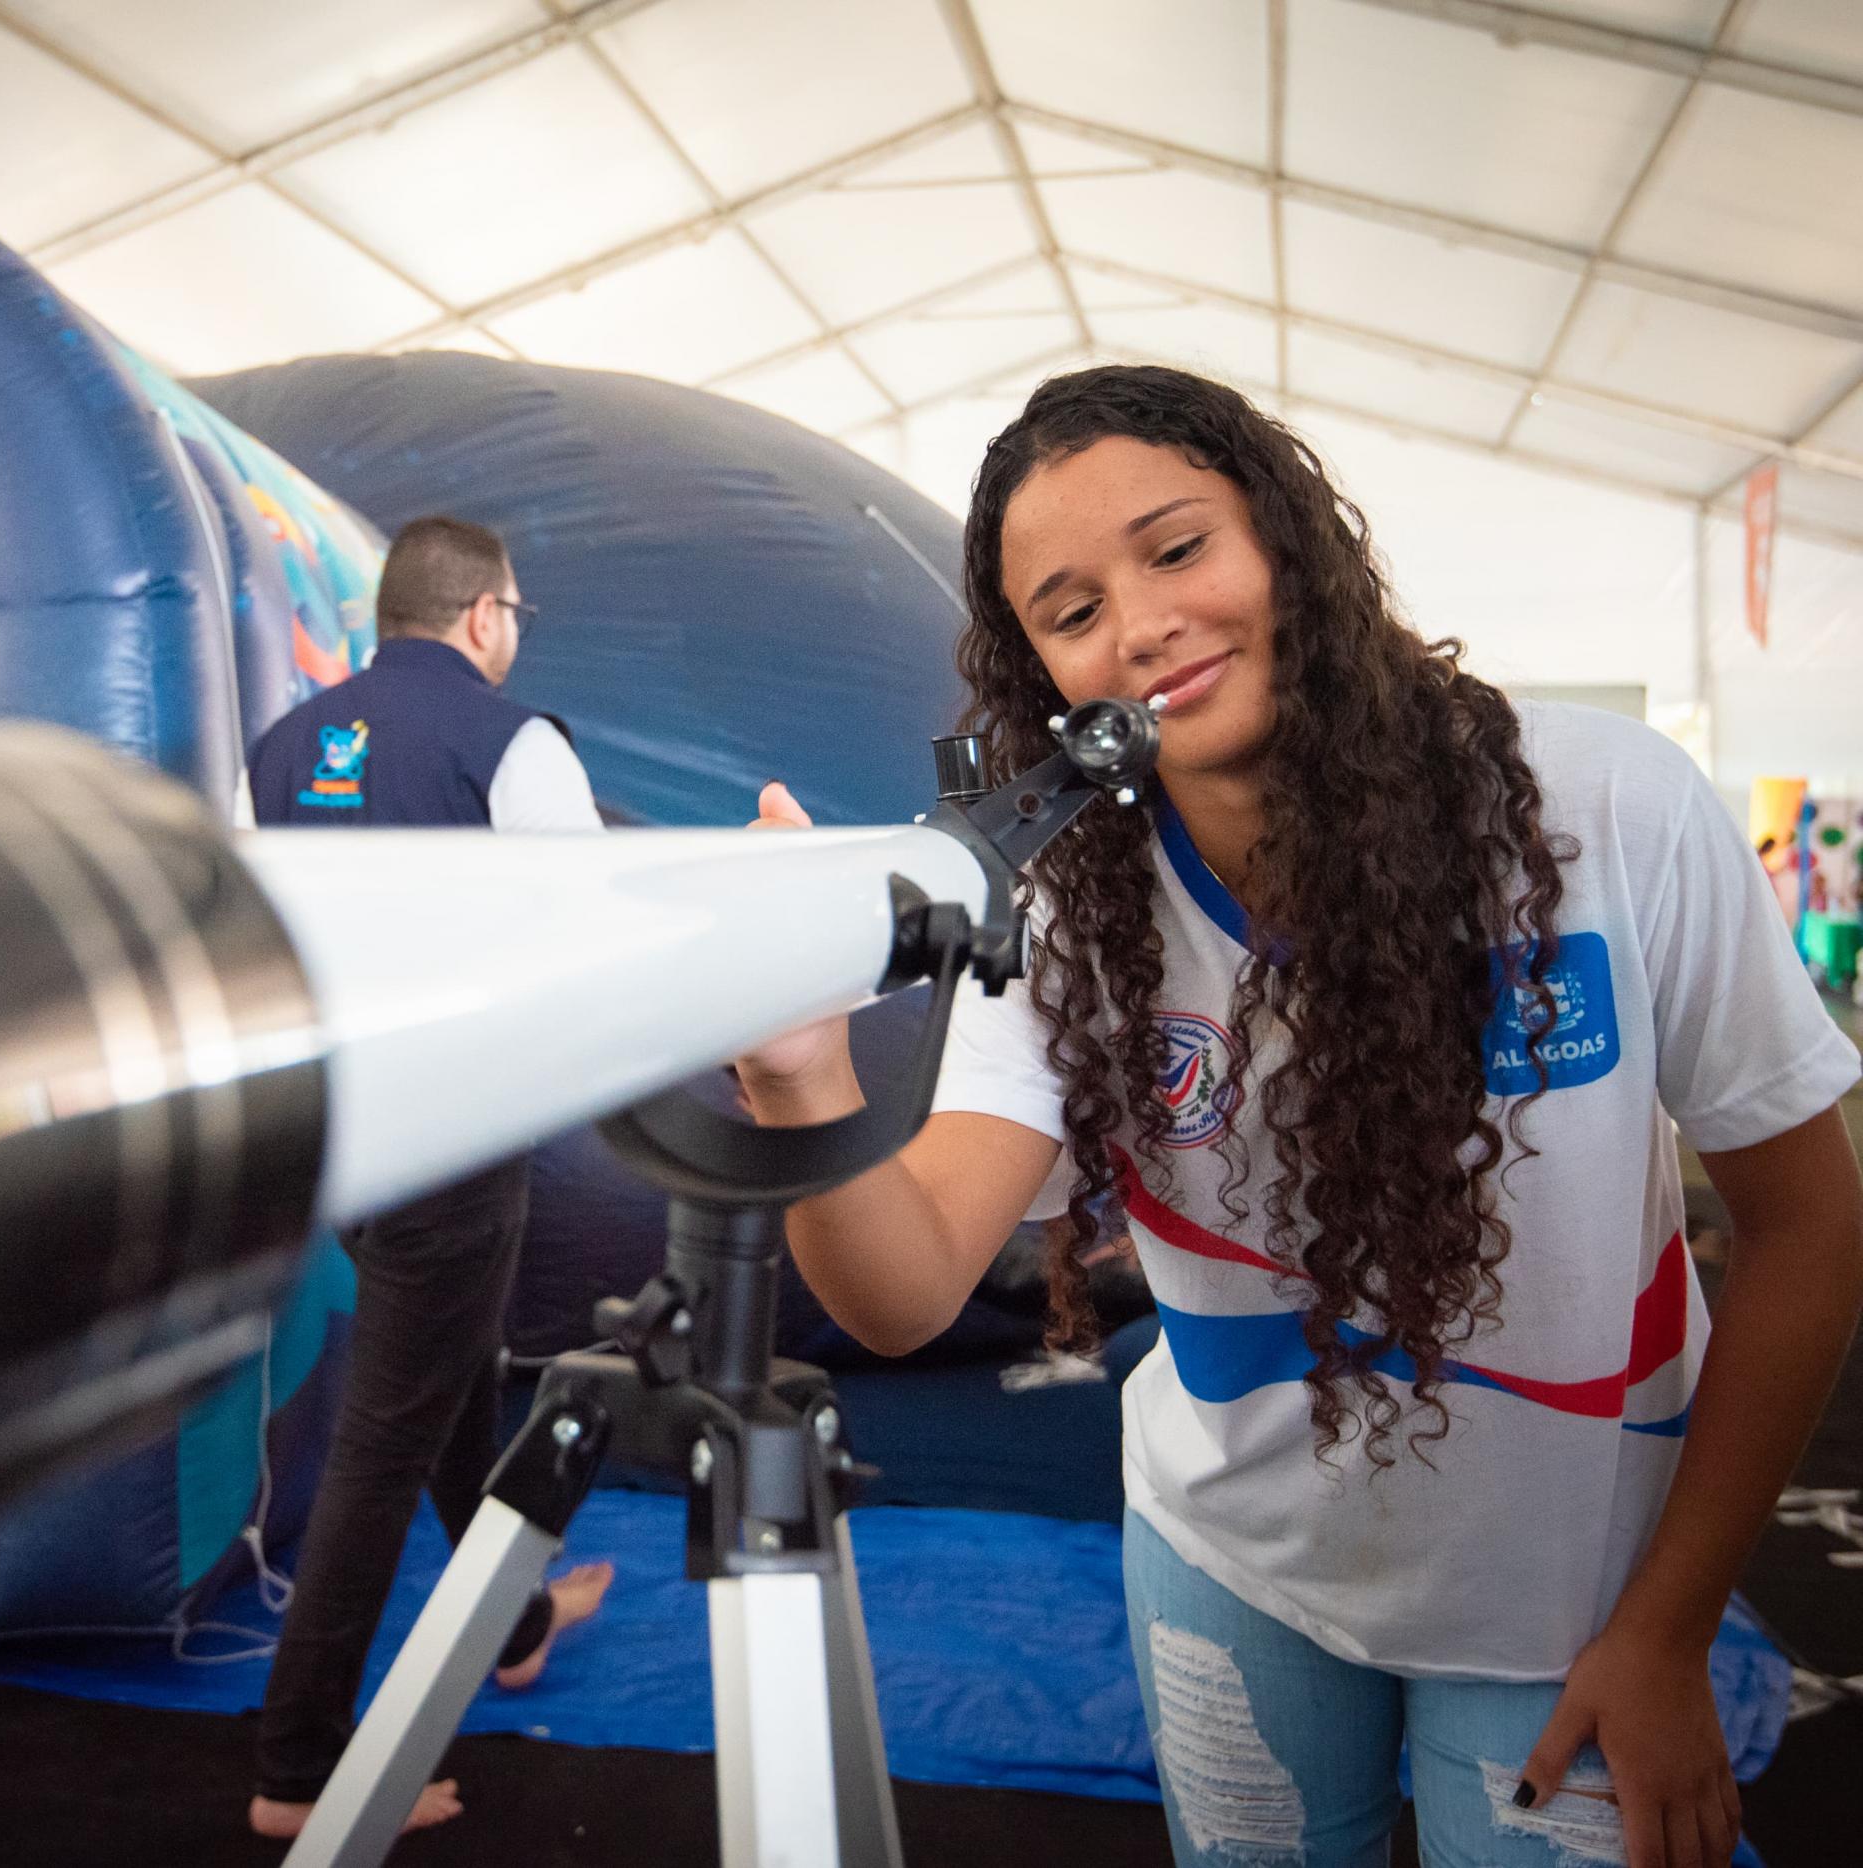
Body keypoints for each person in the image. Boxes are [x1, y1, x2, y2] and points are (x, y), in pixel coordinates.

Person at [738, 365, 1863, 1868]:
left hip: (1574, 1594)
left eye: (1178, 548)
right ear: (1044, 683)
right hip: (1232, 1568)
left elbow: (1811, 1229)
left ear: (1286, 540)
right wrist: (801, 1083)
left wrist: (1665, 1631)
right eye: (1071, 614)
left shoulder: (1611, 810)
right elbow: (901, 1288)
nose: (1138, 626)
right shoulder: (1074, 912)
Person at [244, 515, 613, 1841]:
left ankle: (513, 1618)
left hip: (346, 1134)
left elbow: (255, 936)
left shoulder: (284, 748)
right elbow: (590, 939)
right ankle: (299, 1771)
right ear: (482, 616)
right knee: (384, 1440)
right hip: (457, 1136)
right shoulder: (514, 744)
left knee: (456, 1380)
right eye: (515, 611)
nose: (515, 632)